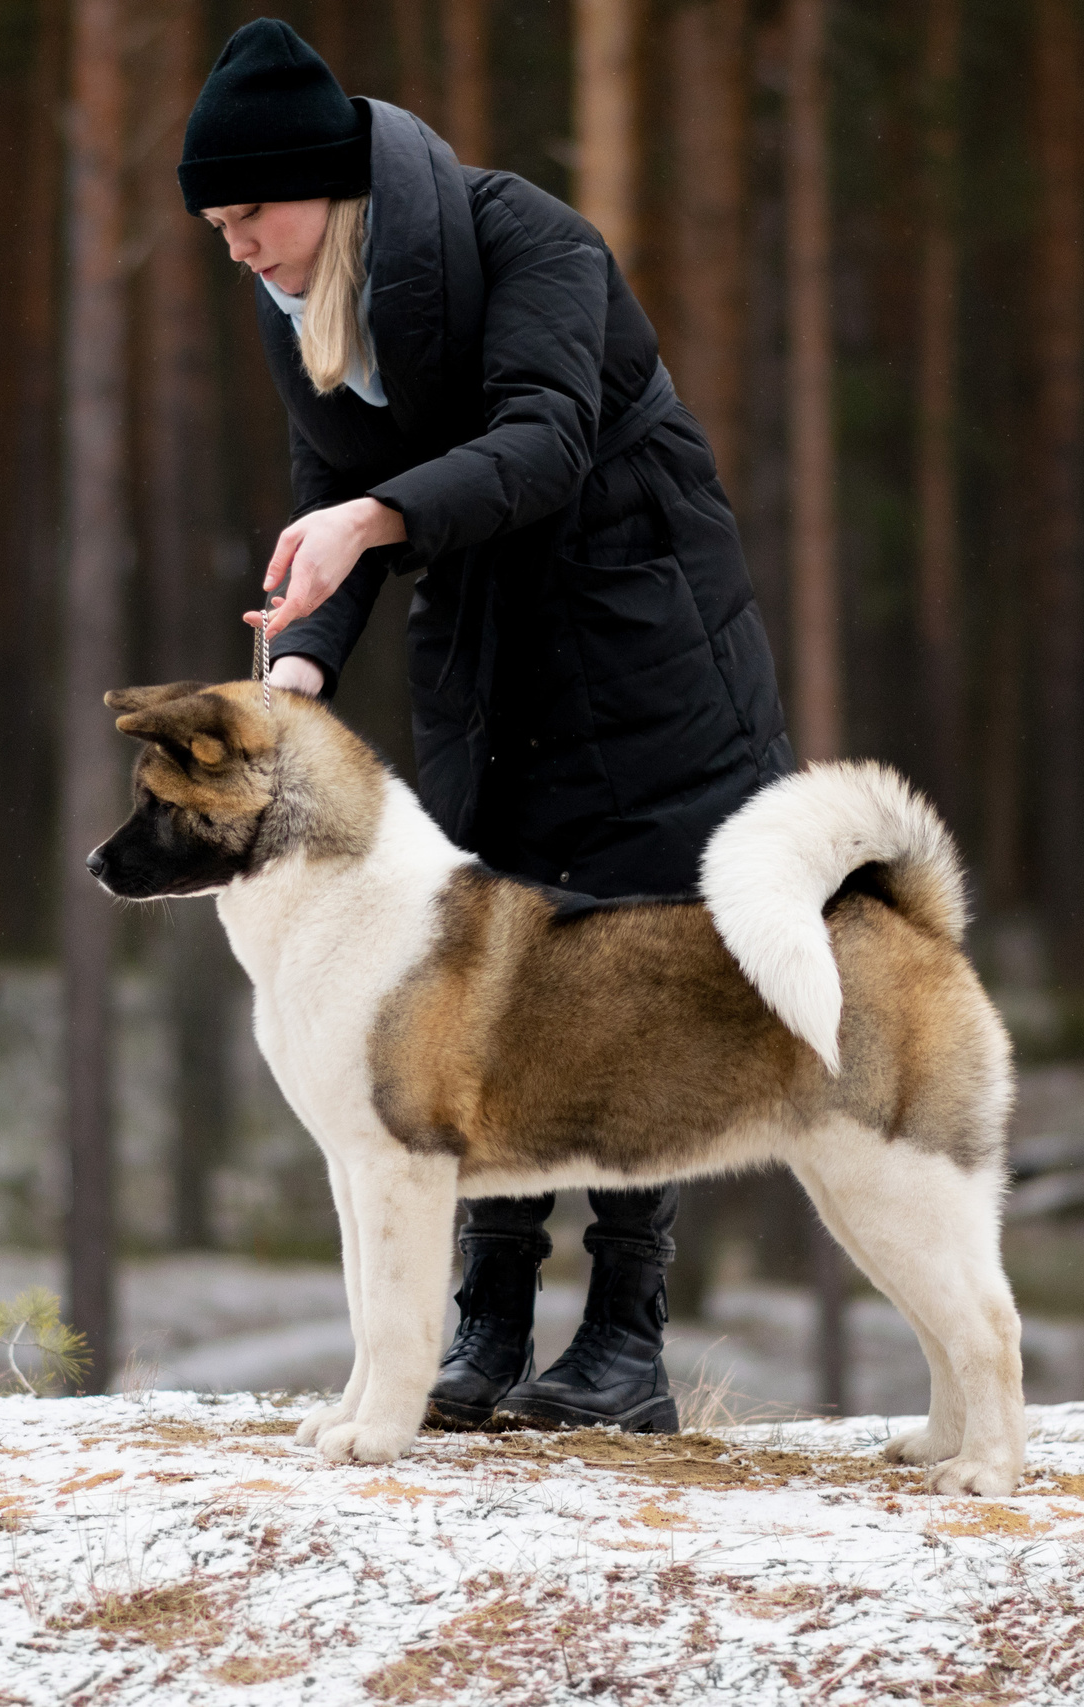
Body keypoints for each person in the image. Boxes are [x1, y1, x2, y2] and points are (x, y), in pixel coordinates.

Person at [180, 18, 792, 1435]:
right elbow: (333, 517)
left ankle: (627, 1345)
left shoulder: (531, 239)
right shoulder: (311, 314)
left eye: (249, 212)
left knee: (642, 964)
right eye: (213, 223)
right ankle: (485, 1328)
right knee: (483, 964)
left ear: (324, 186)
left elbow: (546, 437)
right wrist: (301, 675)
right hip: (490, 647)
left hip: (646, 636)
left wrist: (374, 516)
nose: (234, 245)